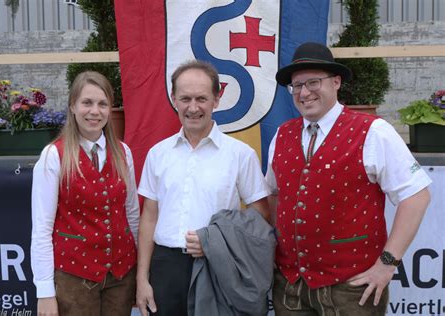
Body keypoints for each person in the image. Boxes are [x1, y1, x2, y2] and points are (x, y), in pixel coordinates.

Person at [265, 42, 432, 315]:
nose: (304, 92)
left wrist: (387, 264)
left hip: (351, 289)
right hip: (291, 286)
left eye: (313, 82)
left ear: (336, 82)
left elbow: (417, 195)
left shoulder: (373, 131)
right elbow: (274, 194)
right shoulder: (282, 134)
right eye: (297, 86)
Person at [136, 60, 271, 316]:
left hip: (218, 265)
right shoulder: (158, 154)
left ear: (216, 100)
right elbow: (149, 217)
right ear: (174, 99)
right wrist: (142, 279)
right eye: (185, 98)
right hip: (165, 269)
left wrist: (215, 240)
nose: (193, 107)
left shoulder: (240, 155)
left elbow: (262, 217)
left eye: (202, 98)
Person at [31, 71, 139, 316]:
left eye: (102, 104)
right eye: (87, 103)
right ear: (72, 106)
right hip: (73, 278)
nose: (94, 111)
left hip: (121, 276)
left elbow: (132, 214)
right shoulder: (53, 156)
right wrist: (45, 292)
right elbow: (41, 229)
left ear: (111, 109)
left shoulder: (123, 152)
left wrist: (140, 272)